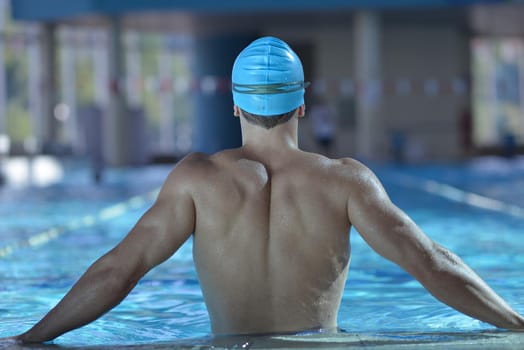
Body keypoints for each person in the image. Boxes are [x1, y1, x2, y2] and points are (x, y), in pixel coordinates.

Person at [2, 36, 523, 345]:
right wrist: (517, 323)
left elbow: (119, 270)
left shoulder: (197, 180)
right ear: (301, 105)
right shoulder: (345, 181)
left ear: (234, 105)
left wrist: (27, 339)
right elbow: (431, 263)